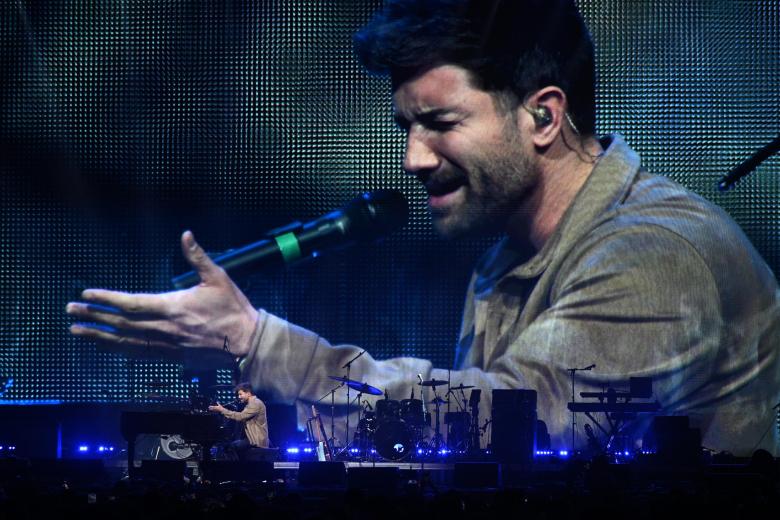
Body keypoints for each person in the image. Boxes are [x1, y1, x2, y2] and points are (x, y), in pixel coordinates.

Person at [66, 0, 780, 456]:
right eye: (406, 126)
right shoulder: (510, 257)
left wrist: (262, 344)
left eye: (440, 124)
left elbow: (502, 426)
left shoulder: (652, 256)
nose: (411, 158)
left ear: (543, 117)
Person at [209, 382, 269, 458]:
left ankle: (237, 468)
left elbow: (240, 416)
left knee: (231, 447)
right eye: (238, 395)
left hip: (255, 440)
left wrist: (222, 410)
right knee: (232, 445)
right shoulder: (251, 403)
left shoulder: (255, 403)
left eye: (240, 394)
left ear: (248, 393)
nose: (239, 397)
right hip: (250, 438)